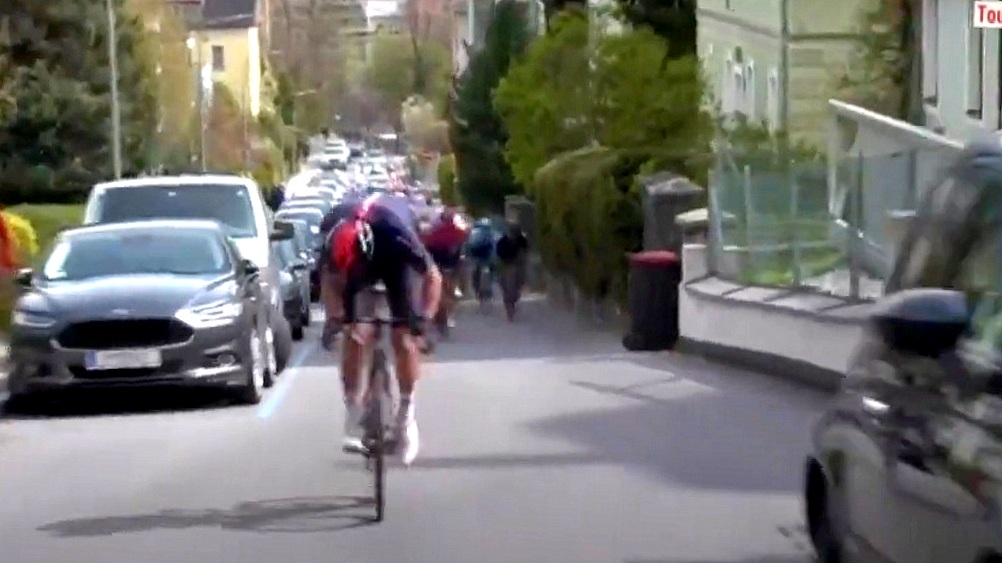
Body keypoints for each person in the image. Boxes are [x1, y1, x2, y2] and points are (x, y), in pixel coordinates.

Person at [328, 193, 442, 465]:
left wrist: (424, 320)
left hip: (395, 266)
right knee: (354, 333)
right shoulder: (335, 236)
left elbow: (433, 276)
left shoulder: (397, 234)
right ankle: (353, 409)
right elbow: (328, 281)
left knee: (403, 337)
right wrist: (336, 317)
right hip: (357, 275)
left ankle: (406, 414)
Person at [421, 208, 469, 331]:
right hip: (449, 267)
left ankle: (441, 313)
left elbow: (425, 250)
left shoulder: (433, 232)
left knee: (439, 291)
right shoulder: (459, 233)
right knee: (450, 291)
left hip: (440, 267)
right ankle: (448, 314)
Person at [495, 221, 529, 320]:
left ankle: (510, 303)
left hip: (513, 266)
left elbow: (525, 252)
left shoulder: (520, 240)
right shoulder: (505, 240)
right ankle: (509, 305)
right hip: (508, 266)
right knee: (509, 286)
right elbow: (498, 253)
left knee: (513, 286)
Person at [466, 218, 496, 301]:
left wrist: (468, 254)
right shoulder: (491, 232)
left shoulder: (474, 232)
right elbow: (494, 246)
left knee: (476, 271)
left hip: (477, 255)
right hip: (486, 255)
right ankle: (488, 290)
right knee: (489, 271)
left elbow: (468, 245)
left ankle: (478, 289)